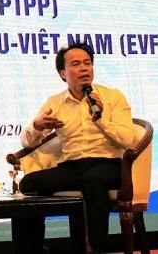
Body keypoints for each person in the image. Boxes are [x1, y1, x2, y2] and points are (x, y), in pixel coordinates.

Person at [15, 42, 135, 254]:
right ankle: (33, 248)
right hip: (73, 167)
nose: (84, 69)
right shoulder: (55, 103)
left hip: (109, 165)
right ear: (63, 73)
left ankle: (96, 249)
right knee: (28, 183)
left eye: (87, 63)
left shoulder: (112, 97)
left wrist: (100, 118)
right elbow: (26, 142)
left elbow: (127, 139)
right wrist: (37, 126)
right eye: (76, 64)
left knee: (93, 180)